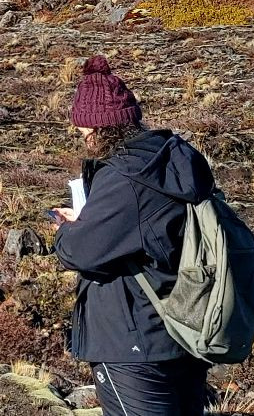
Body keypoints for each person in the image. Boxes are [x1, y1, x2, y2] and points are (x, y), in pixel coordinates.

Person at [50, 56, 213, 416]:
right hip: (184, 325)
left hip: (132, 338)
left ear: (96, 128)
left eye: (83, 130)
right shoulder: (177, 158)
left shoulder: (125, 176)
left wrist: (68, 228)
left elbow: (81, 252)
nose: (82, 138)